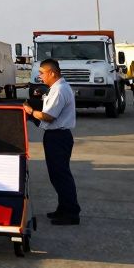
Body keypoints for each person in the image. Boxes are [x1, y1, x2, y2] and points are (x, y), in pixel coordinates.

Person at [24, 59, 80, 225]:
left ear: (52, 73)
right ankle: (63, 208)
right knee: (57, 175)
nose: (40, 76)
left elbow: (48, 116)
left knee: (61, 176)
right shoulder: (57, 88)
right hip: (56, 136)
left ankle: (71, 213)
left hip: (58, 137)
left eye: (42, 73)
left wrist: (30, 111)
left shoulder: (59, 90)